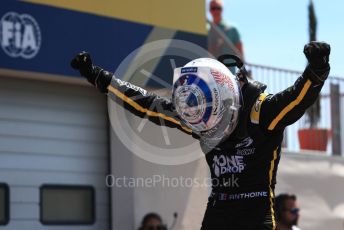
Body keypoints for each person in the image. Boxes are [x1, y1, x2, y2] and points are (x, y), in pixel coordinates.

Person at [71, 41, 330, 229]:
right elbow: (148, 105)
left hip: (257, 210)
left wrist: (316, 70)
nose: (207, 121)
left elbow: (297, 98)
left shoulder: (261, 111)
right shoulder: (201, 116)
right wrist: (102, 79)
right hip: (219, 208)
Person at [208, 0, 244, 72]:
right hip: (211, 72)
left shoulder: (232, 29)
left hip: (229, 73)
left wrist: (242, 69)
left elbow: (240, 52)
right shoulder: (207, 30)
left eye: (218, 8)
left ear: (222, 10)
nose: (216, 11)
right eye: (213, 8)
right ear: (209, 10)